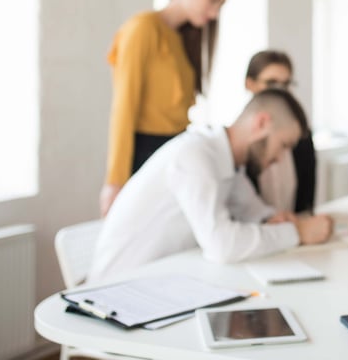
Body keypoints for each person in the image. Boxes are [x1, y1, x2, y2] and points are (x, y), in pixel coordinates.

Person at [89, 88, 334, 283]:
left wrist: (276, 219)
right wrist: (298, 233)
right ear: (261, 123)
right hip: (120, 293)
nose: (281, 159)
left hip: (162, 283)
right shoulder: (195, 155)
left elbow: (253, 211)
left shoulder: (229, 163)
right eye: (283, 145)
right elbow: (222, 246)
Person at [100, 0, 232, 217]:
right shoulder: (143, 28)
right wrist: (114, 181)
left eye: (221, 5)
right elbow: (124, 107)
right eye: (212, 0)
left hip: (176, 149)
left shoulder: (183, 38)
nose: (215, 13)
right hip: (144, 152)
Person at [243, 50, 317, 214]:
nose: (280, 91)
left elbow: (306, 202)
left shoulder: (302, 136)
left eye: (286, 84)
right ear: (250, 84)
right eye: (271, 83)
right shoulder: (241, 142)